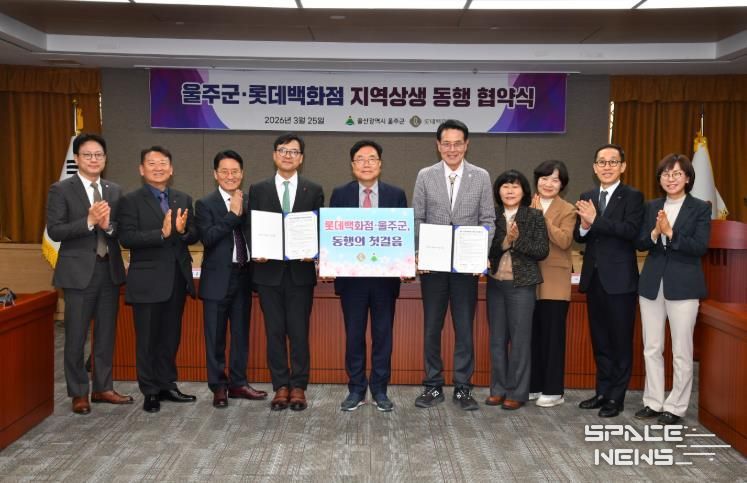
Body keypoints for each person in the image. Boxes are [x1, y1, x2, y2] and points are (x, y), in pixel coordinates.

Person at [46, 133, 132, 415]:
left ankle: (103, 387)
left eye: (99, 155)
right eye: (88, 155)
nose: (94, 159)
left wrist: (107, 226)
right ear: (76, 158)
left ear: (105, 159)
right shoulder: (61, 189)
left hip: (109, 271)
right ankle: (79, 392)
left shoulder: (114, 190)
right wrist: (89, 221)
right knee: (75, 336)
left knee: (105, 334)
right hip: (78, 273)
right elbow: (55, 230)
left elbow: (120, 230)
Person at [412, 119, 495, 411]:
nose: (452, 149)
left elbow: (488, 220)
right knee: (432, 328)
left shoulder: (481, 176)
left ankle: (462, 387)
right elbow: (417, 218)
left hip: (465, 269)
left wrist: (481, 253)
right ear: (438, 145)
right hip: (433, 268)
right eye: (446, 143)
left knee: (464, 329)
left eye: (457, 143)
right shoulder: (425, 175)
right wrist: (419, 252)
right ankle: (432, 385)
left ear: (466, 144)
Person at [117, 146, 200, 413]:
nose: (158, 168)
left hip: (177, 279)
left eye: (163, 163)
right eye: (151, 163)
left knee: (170, 337)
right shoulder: (130, 201)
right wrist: (161, 234)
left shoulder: (182, 198)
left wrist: (182, 231)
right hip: (147, 281)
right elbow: (126, 237)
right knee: (148, 339)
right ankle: (150, 390)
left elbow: (194, 234)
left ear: (171, 169)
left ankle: (167, 384)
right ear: (141, 170)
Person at [329, 140, 407, 412]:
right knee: (354, 336)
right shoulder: (340, 194)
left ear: (380, 164)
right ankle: (356, 389)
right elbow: (333, 234)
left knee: (383, 336)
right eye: (360, 159)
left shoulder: (396, 195)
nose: (366, 164)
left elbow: (401, 236)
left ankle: (380, 390)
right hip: (352, 281)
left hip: (385, 280)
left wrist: (404, 261)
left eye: (371, 158)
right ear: (352, 165)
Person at [248, 133, 324, 411]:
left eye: (294, 152)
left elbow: (319, 227)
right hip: (268, 273)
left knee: (299, 332)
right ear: (274, 155)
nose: (288, 155)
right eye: (283, 150)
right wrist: (255, 249)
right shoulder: (258, 189)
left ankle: (299, 386)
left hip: (300, 273)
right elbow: (251, 225)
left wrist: (314, 250)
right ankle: (280, 385)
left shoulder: (313, 189)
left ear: (301, 158)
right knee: (275, 332)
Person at [634, 154, 711, 425]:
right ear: (660, 179)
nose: (671, 178)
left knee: (681, 350)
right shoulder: (651, 206)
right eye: (666, 174)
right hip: (652, 285)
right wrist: (655, 233)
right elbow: (640, 243)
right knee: (652, 347)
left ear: (687, 178)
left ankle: (676, 406)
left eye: (677, 174)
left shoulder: (700, 208)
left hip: (684, 286)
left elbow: (699, 247)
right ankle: (653, 401)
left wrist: (670, 232)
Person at [575, 143, 644, 418]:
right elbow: (580, 236)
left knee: (620, 341)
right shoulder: (588, 195)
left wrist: (596, 220)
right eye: (602, 162)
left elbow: (630, 231)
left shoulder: (633, 196)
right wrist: (584, 226)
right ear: (594, 167)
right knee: (601, 340)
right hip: (594, 279)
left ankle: (617, 396)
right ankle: (602, 391)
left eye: (612, 162)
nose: (607, 166)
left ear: (622, 166)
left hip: (620, 281)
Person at [195, 150, 267, 409]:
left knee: (240, 334)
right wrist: (233, 215)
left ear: (242, 173)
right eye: (224, 171)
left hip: (244, 276)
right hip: (217, 280)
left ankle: (238, 383)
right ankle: (218, 386)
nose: (230, 176)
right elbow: (208, 238)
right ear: (215, 174)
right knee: (215, 336)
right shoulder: (205, 204)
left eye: (235, 171)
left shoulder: (250, 202)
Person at [486, 169, 548, 410]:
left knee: (520, 341)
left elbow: (541, 250)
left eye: (515, 186)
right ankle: (498, 389)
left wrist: (517, 240)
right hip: (495, 285)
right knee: (497, 340)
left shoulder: (534, 216)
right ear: (498, 191)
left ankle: (517, 392)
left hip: (522, 286)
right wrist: (505, 242)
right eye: (505, 186)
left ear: (524, 191)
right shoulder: (491, 215)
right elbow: (488, 251)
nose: (510, 191)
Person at [528, 160, 576, 408]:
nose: (548, 184)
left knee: (552, 337)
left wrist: (541, 219)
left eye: (555, 180)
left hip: (555, 281)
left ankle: (554, 390)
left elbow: (565, 240)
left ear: (562, 185)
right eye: (544, 178)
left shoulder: (568, 209)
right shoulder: (526, 205)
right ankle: (535, 385)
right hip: (528, 280)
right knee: (533, 336)